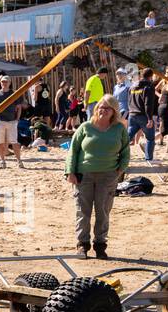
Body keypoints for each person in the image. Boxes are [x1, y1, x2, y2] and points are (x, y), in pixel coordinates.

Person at [66, 96, 130, 259]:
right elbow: (73, 150)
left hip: (108, 175)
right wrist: (70, 172)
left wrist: (119, 170)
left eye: (107, 108)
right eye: (100, 107)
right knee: (83, 211)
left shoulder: (119, 129)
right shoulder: (85, 127)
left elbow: (125, 152)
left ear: (114, 111)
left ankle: (100, 245)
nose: (103, 110)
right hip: (84, 175)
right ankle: (82, 245)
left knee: (103, 211)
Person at [128, 67, 159, 162]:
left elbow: (129, 101)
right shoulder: (149, 86)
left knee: (127, 138)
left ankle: (115, 154)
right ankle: (149, 159)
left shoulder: (132, 86)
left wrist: (130, 111)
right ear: (151, 76)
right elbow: (148, 104)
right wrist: (150, 118)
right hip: (143, 116)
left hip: (132, 115)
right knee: (150, 138)